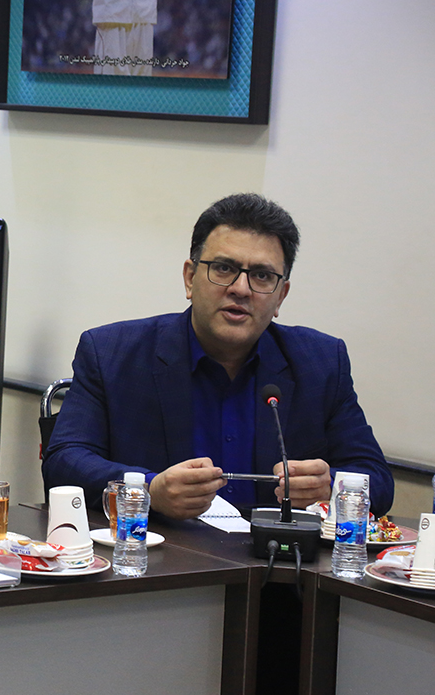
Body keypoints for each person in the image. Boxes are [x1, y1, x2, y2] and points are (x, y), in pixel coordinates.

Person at [44, 192, 393, 519]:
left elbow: (376, 478)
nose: (240, 289)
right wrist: (148, 490)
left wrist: (331, 487)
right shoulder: (111, 353)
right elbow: (63, 462)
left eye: (261, 276)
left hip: (274, 559)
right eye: (224, 268)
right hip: (160, 554)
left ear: (281, 296)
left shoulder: (321, 362)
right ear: (190, 278)